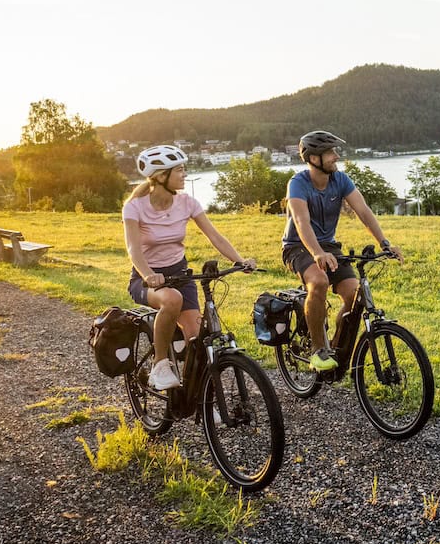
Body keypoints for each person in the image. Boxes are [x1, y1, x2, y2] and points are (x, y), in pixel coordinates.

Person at [124, 144, 256, 390]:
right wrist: (149, 275)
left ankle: (197, 396)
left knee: (197, 338)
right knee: (171, 300)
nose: (184, 174)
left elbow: (214, 236)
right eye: (180, 170)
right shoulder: (134, 207)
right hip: (145, 279)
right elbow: (133, 249)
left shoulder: (187, 202)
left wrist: (239, 260)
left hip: (180, 274)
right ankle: (160, 364)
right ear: (161, 176)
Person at [282, 131, 402, 372]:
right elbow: (302, 222)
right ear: (314, 158)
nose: (336, 156)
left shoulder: (341, 180)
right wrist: (316, 253)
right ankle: (318, 350)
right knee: (318, 281)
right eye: (330, 153)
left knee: (353, 293)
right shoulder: (298, 183)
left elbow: (364, 212)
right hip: (298, 246)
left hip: (328, 246)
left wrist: (384, 243)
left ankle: (336, 345)